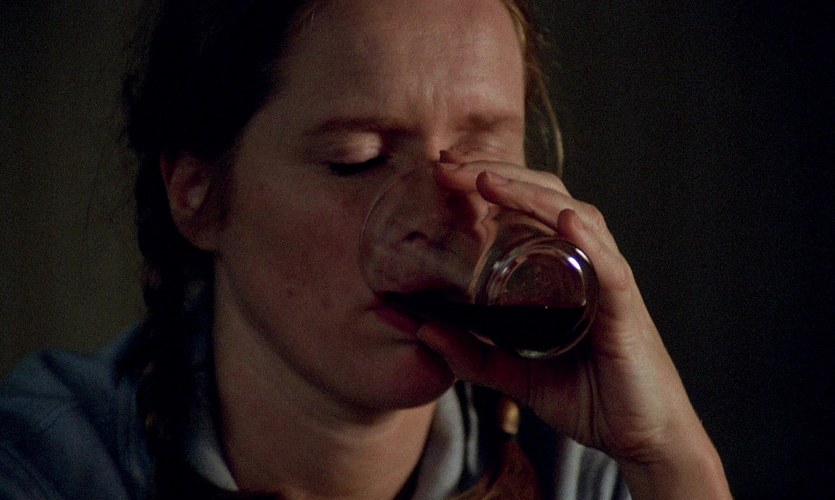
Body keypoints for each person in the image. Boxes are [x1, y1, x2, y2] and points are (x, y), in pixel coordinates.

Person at [0, 0, 732, 498]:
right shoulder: (46, 461)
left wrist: (671, 458)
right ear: (197, 193)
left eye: (481, 157)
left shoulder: (583, 465)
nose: (438, 217)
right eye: (358, 160)